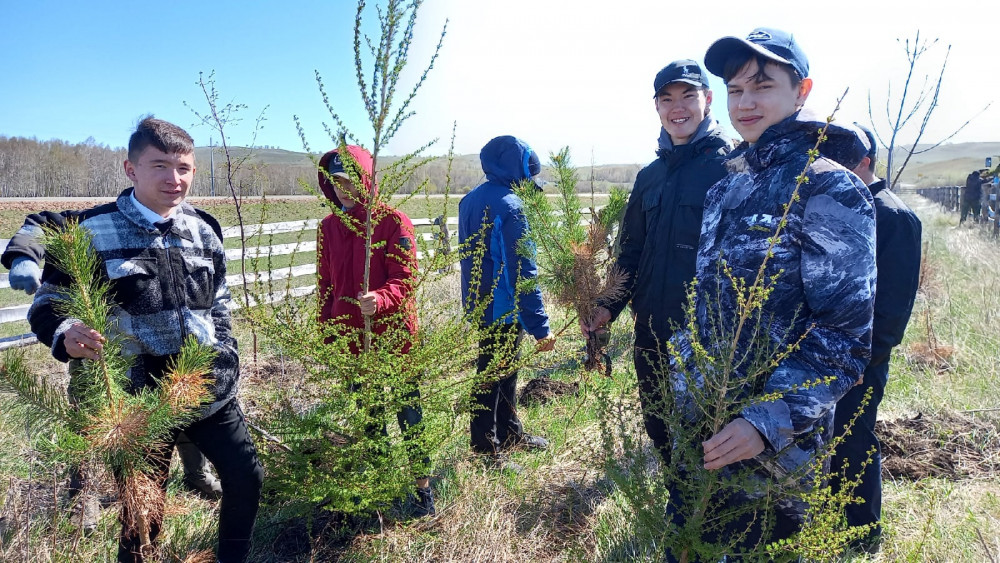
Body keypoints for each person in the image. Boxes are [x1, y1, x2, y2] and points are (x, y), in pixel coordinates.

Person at [666, 27, 877, 555]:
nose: (746, 102)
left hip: (777, 450)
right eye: (735, 90)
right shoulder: (727, 187)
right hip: (703, 424)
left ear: (801, 91)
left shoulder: (828, 186)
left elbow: (845, 337)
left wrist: (764, 421)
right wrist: (684, 371)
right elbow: (708, 306)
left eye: (762, 86)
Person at [25, 117, 263, 562]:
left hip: (205, 388)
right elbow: (49, 302)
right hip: (135, 397)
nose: (174, 179)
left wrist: (225, 353)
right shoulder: (91, 231)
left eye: (184, 168)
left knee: (247, 477)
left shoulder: (204, 229)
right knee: (143, 510)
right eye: (159, 166)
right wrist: (65, 333)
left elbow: (220, 302)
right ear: (131, 169)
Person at [580, 59, 732, 466]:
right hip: (650, 329)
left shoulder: (731, 169)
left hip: (705, 335)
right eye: (666, 99)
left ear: (708, 100)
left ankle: (706, 521)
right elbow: (631, 252)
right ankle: (675, 507)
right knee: (659, 423)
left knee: (709, 434)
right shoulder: (649, 177)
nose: (676, 107)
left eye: (687, 96)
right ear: (657, 107)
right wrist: (607, 305)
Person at [315, 144, 435, 516]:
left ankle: (422, 490)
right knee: (368, 412)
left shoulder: (393, 222)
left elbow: (405, 278)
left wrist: (381, 299)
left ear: (365, 181)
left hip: (393, 336)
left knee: (407, 410)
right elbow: (326, 285)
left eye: (349, 182)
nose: (341, 190)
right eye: (334, 182)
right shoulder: (329, 227)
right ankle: (382, 484)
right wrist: (327, 328)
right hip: (351, 340)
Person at [828, 124, 921, 553]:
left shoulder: (893, 216)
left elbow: (892, 307)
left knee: (853, 438)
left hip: (861, 359)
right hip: (824, 352)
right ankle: (827, 520)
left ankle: (862, 537)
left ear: (865, 162)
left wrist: (863, 361)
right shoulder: (836, 206)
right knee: (827, 438)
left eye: (840, 161)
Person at [458, 135, 556, 471]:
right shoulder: (511, 206)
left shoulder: (470, 200)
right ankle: (486, 451)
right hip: (504, 306)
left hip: (481, 304)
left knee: (503, 371)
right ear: (519, 169)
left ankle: (511, 433)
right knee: (492, 376)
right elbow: (522, 272)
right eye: (530, 177)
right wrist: (539, 326)